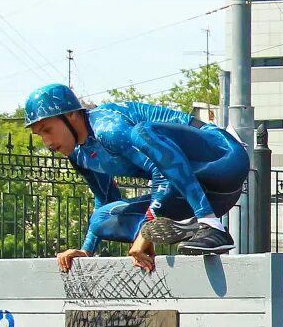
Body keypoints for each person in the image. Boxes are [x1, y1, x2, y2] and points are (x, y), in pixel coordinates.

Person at [21, 83, 248, 273]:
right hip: (205, 195)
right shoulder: (79, 155)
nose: (47, 143)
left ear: (71, 115)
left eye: (47, 129)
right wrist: (86, 251)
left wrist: (146, 231)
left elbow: (162, 172)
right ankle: (186, 226)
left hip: (222, 159)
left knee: (142, 132)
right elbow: (105, 201)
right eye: (39, 135)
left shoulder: (108, 129)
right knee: (100, 219)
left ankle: (211, 225)